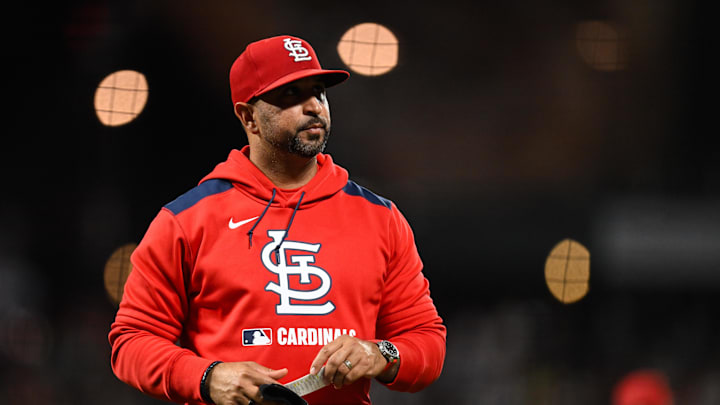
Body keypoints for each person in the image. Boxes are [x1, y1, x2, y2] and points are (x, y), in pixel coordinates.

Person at [108, 35, 447, 405]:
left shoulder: (381, 219)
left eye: (318, 92)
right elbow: (131, 342)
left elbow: (426, 341)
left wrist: (381, 353)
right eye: (290, 96)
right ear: (248, 116)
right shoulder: (187, 221)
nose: (314, 107)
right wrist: (207, 377)